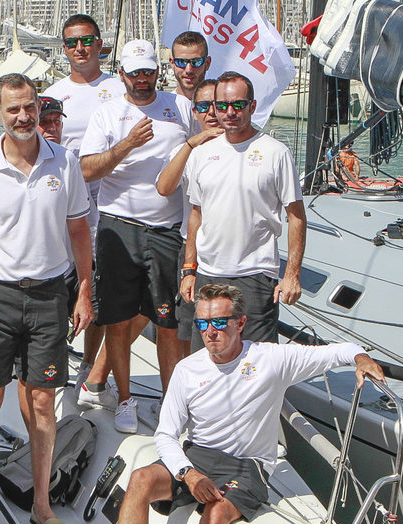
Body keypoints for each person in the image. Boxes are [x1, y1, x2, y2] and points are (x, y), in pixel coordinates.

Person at [72, 283, 384, 524]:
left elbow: (339, 352)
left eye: (219, 322)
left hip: (248, 465)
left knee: (217, 516)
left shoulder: (272, 359)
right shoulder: (188, 370)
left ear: (240, 323)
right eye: (202, 324)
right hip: (199, 455)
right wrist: (189, 473)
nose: (210, 332)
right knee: (141, 478)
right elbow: (167, 436)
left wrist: (361, 358)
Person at [0, 73, 93, 524]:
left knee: (42, 401)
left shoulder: (66, 163)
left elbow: (79, 230)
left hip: (48, 295)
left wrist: (84, 291)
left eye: (31, 107)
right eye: (14, 109)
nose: (24, 117)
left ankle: (41, 504)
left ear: (40, 109)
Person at [79, 39, 194, 433]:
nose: (142, 80)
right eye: (135, 74)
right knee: (117, 317)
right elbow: (87, 170)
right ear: (123, 74)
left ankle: (170, 404)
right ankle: (124, 399)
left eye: (149, 73)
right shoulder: (108, 113)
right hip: (119, 227)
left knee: (165, 322)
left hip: (167, 230)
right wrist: (127, 144)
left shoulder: (179, 107)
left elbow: (201, 148)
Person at [180, 71, 307, 346]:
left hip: (256, 276)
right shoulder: (201, 154)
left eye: (238, 105)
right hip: (208, 275)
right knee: (205, 361)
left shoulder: (276, 153)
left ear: (252, 106)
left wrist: (291, 275)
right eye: (222, 105)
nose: (230, 112)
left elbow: (296, 216)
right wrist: (189, 270)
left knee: (257, 367)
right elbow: (196, 215)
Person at [44, 14, 126, 392]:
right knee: (62, 283)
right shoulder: (55, 93)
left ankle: (89, 367)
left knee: (99, 289)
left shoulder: (119, 88)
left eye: (88, 40)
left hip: (110, 204)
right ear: (64, 48)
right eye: (73, 42)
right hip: (62, 207)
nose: (81, 48)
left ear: (99, 43)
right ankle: (48, 362)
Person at [156, 79, 223, 358]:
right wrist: (190, 144)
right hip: (194, 248)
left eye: (217, 105)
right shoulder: (188, 151)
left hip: (237, 253)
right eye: (203, 106)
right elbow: (164, 187)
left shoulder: (253, 148)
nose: (211, 113)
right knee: (190, 327)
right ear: (194, 112)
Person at [169, 31, 211, 100]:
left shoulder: (220, 108)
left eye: (196, 62)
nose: (188, 70)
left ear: (207, 63)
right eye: (181, 62)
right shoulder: (162, 107)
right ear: (172, 63)